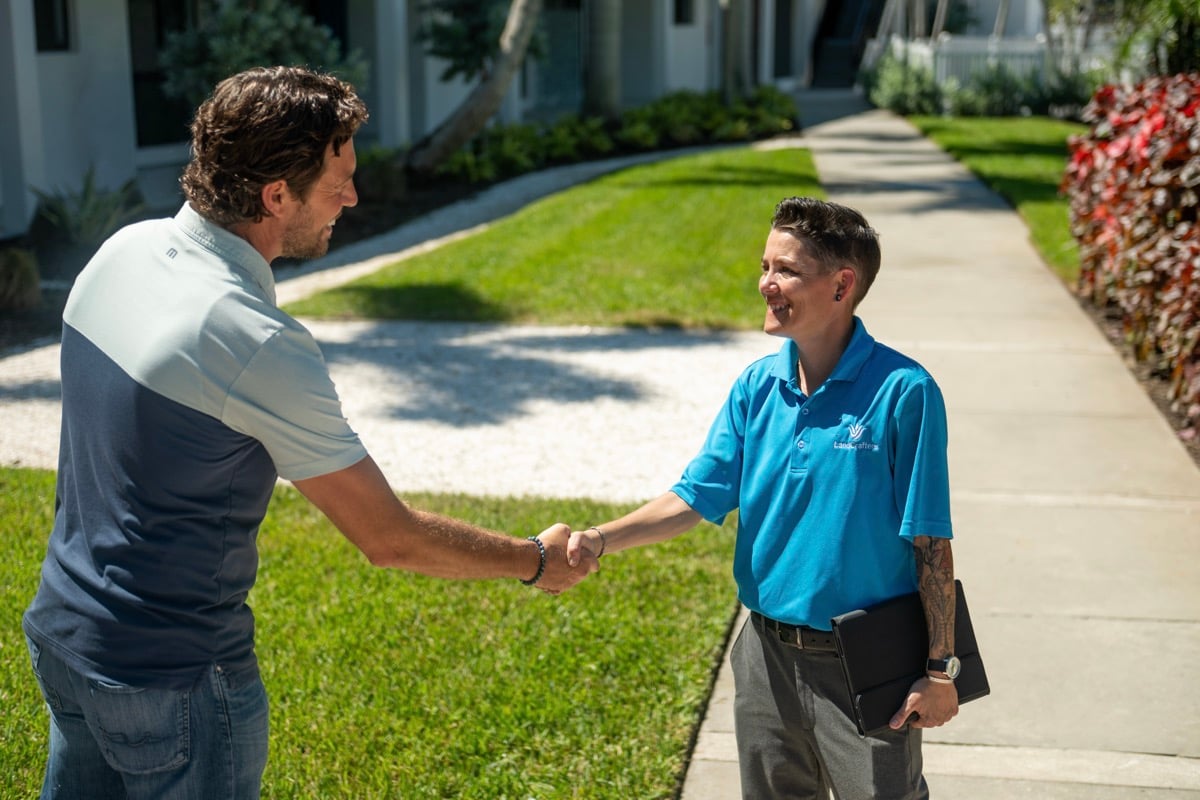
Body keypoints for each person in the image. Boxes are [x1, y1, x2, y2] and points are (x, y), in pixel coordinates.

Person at [22, 65, 597, 800]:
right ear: (275, 196)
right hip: (171, 677)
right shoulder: (254, 339)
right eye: (339, 182)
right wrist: (535, 561)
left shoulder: (120, 253)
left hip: (66, 636)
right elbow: (388, 537)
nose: (354, 197)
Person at [566, 197, 958, 799]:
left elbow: (931, 541)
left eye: (785, 270)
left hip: (868, 664)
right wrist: (598, 539)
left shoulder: (905, 393)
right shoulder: (756, 386)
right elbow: (696, 497)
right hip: (765, 657)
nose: (765, 284)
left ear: (842, 285)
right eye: (765, 265)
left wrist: (939, 671)